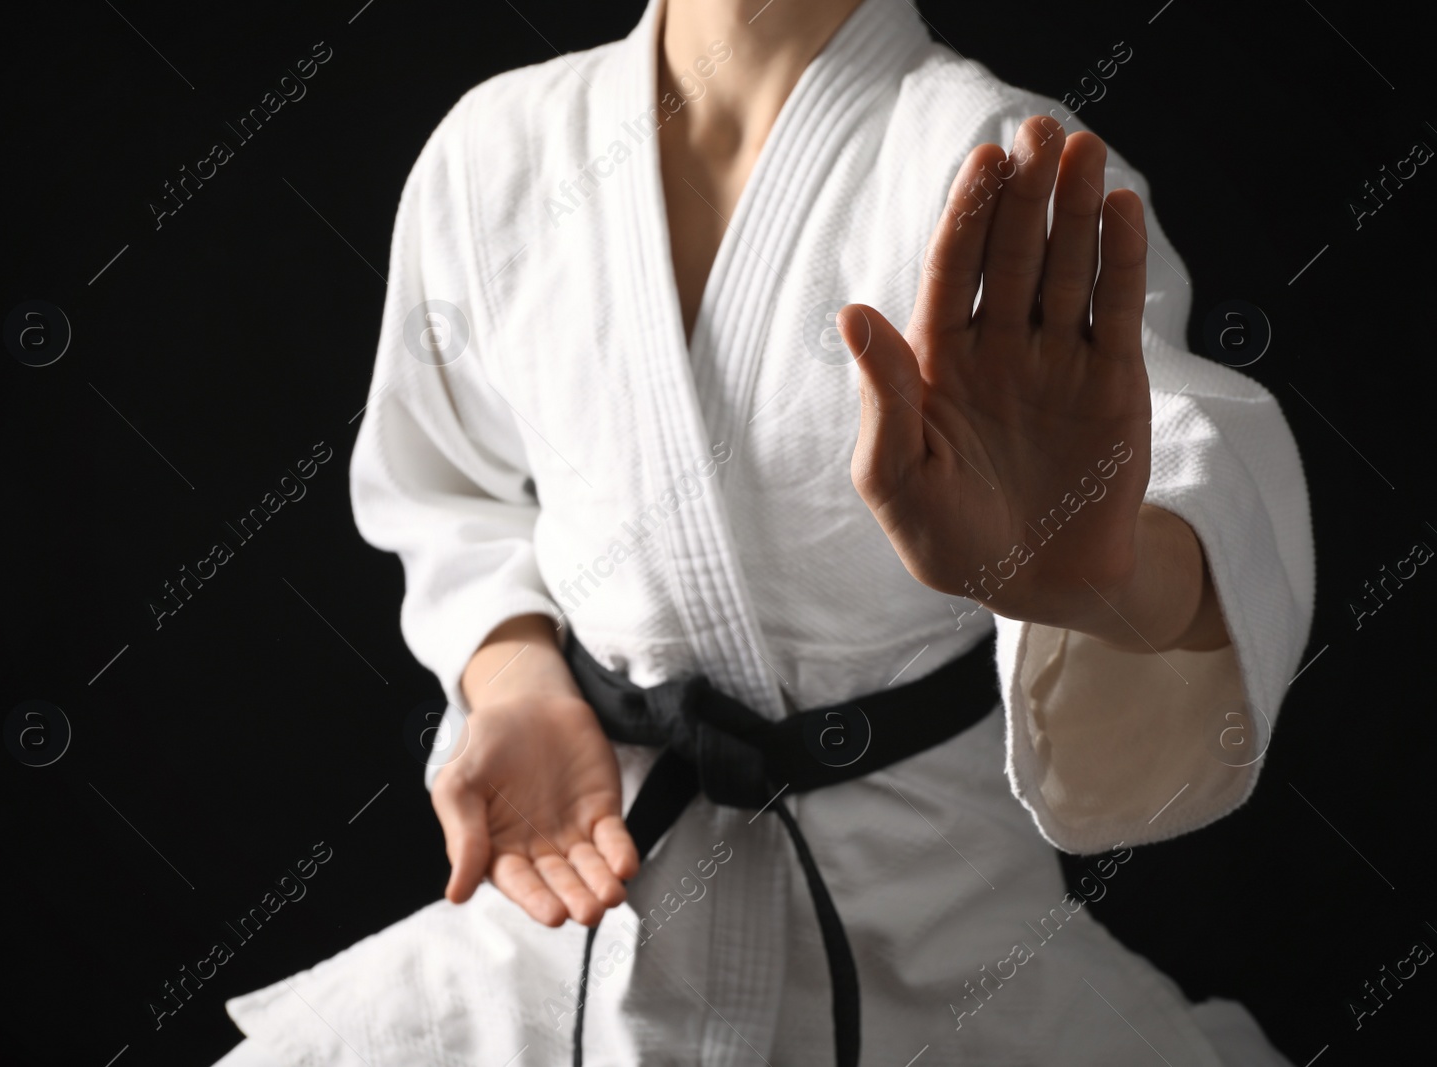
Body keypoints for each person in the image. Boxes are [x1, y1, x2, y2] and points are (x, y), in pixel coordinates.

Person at [215, 0, 1313, 1062]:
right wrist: (511, 678)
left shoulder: (1003, 165)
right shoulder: (496, 154)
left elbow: (1200, 493)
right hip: (593, 898)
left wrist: (1091, 568)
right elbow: (443, 488)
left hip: (935, 927)